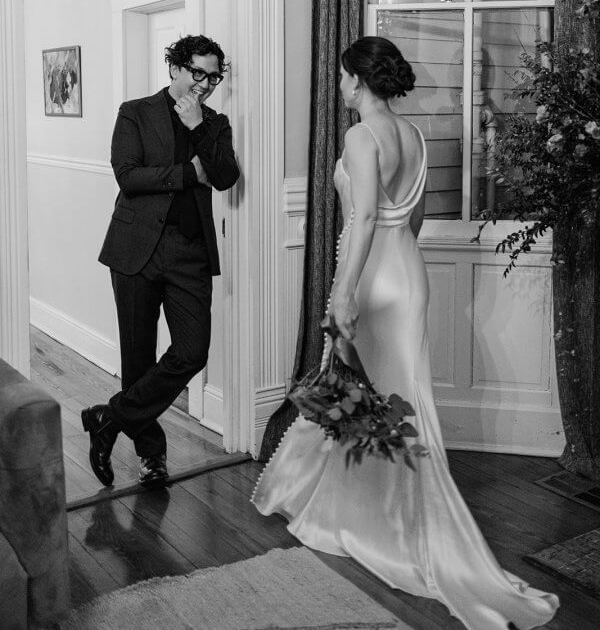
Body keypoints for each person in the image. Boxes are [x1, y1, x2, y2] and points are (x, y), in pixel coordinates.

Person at [252, 37, 559, 629]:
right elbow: (411, 219)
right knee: (389, 403)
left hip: (371, 279)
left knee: (376, 405)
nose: (340, 86)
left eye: (344, 77)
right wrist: (389, 267)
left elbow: (363, 216)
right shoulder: (415, 137)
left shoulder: (360, 137)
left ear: (358, 81)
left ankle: (411, 533)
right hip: (407, 274)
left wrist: (343, 292)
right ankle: (365, 513)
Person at [83, 34, 240, 489]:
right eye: (198, 73)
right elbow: (129, 176)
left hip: (190, 252)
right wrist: (191, 172)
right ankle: (152, 457)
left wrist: (197, 128)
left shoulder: (215, 123)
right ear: (174, 68)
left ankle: (108, 419)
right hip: (136, 250)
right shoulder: (134, 112)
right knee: (138, 358)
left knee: (192, 351)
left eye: (214, 76)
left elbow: (227, 177)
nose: (206, 84)